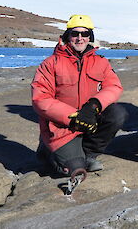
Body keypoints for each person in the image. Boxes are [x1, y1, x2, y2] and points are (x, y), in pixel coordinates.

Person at [32, 15, 127, 178]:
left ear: (90, 37)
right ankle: (48, 151)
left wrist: (93, 106)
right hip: (62, 128)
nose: (80, 38)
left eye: (85, 34)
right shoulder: (51, 63)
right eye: (75, 34)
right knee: (71, 170)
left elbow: (114, 87)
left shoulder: (101, 62)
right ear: (67, 36)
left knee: (118, 114)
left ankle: (88, 154)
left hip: (89, 121)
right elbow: (40, 99)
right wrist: (74, 117)